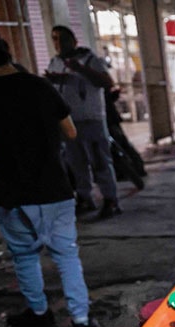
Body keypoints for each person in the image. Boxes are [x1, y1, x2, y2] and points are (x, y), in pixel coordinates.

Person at [0, 25, 100, 327]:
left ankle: (39, 312)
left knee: (25, 256)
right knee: (66, 256)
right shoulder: (40, 85)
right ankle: (81, 319)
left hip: (14, 193)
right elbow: (71, 132)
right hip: (56, 189)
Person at [46, 25, 121, 219]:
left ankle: (110, 199)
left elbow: (106, 82)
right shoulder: (55, 62)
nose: (58, 43)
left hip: (91, 119)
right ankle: (85, 197)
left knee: (99, 161)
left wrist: (81, 70)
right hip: (69, 122)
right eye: (54, 39)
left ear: (73, 41)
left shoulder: (89, 59)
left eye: (62, 39)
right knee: (76, 162)